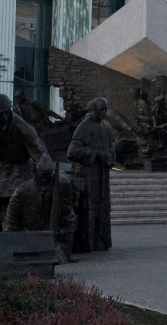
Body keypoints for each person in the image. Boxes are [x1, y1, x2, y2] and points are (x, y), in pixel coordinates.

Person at [0, 93, 49, 231]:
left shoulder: (23, 128)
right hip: (1, 168)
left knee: (18, 201)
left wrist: (45, 173)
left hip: (22, 168)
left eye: (6, 112)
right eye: (0, 114)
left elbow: (41, 154)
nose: (4, 117)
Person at [3, 153, 77, 261]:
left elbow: (68, 215)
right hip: (28, 238)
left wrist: (63, 231)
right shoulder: (22, 191)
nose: (44, 180)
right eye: (42, 176)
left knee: (55, 257)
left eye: (48, 176)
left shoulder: (64, 186)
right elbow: (11, 222)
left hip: (55, 240)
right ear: (35, 172)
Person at [67, 97, 115, 252]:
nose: (104, 112)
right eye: (101, 109)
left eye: (106, 109)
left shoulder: (107, 126)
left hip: (102, 175)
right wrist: (95, 154)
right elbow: (72, 152)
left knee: (103, 207)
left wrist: (111, 158)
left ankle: (102, 242)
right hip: (88, 175)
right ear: (93, 109)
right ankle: (88, 244)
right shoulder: (84, 126)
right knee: (89, 208)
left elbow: (111, 147)